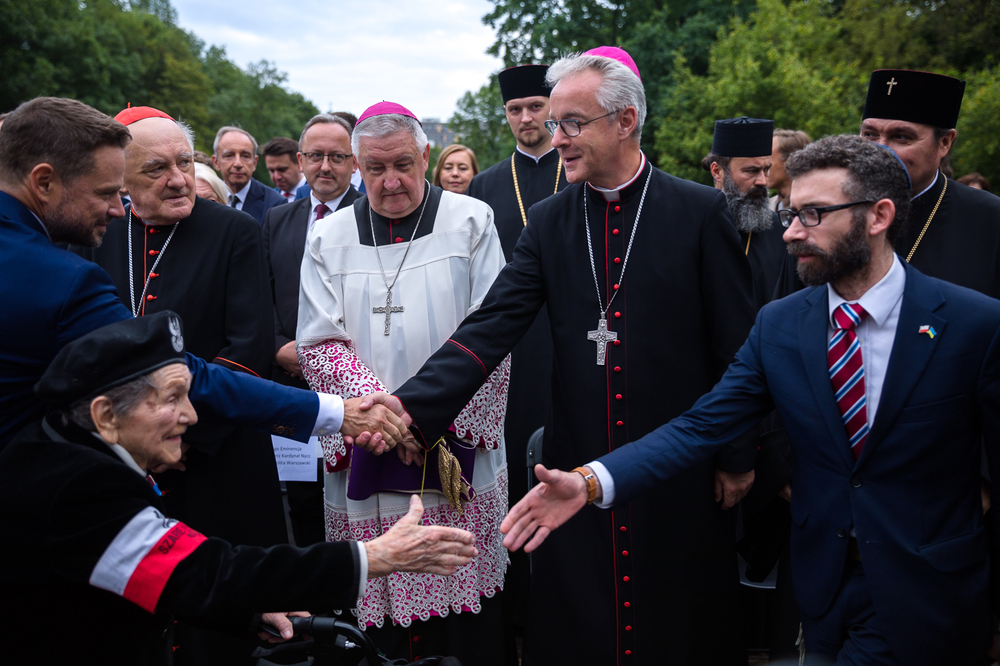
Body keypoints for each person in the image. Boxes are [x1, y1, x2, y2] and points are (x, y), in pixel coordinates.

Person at [503, 134, 1000, 666]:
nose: (790, 232)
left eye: (813, 215)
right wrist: (590, 481)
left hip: (932, 592)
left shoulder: (974, 325)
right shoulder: (782, 326)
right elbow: (699, 426)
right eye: (792, 212)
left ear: (877, 217)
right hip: (822, 593)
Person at [388, 48, 757, 666]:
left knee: (680, 622)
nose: (555, 138)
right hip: (573, 463)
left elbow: (737, 348)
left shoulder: (698, 213)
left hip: (678, 461)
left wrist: (738, 456)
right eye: (554, 123)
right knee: (584, 623)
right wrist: (406, 408)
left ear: (625, 121)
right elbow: (490, 326)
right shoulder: (551, 219)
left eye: (571, 123)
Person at [0, 312, 478, 666]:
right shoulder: (81, 487)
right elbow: (209, 572)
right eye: (171, 399)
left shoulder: (73, 452)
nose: (190, 415)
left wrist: (248, 618)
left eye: (189, 394)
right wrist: (377, 558)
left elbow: (163, 579)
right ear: (106, 416)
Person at [0, 98, 406, 452]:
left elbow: (246, 346)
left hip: (215, 441)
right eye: (107, 191)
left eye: (185, 163)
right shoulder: (62, 269)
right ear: (44, 182)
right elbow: (138, 361)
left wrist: (182, 432)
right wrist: (336, 414)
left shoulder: (234, 229)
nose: (114, 208)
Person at [297, 101, 514, 665]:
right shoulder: (328, 236)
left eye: (402, 164)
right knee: (380, 603)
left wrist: (423, 417)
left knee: (463, 606)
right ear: (355, 167)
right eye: (374, 168)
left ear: (425, 156)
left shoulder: (471, 220)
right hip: (367, 439)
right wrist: (387, 421)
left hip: (452, 442)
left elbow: (491, 329)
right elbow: (319, 342)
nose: (389, 181)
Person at [461, 61, 567, 641]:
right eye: (515, 111)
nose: (526, 119)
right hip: (510, 351)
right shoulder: (484, 187)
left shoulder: (577, 171)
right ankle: (518, 607)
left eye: (535, 107)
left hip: (573, 337)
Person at [262, 112, 362, 546]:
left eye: (337, 157)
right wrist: (279, 347)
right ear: (300, 160)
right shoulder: (277, 220)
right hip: (292, 385)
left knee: (357, 497)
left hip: (356, 385)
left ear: (354, 162)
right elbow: (257, 300)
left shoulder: (373, 216)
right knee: (302, 503)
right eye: (316, 156)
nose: (325, 166)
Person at [860, 69, 1000, 300]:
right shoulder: (827, 212)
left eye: (901, 137)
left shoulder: (991, 220)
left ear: (944, 142)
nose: (880, 151)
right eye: (870, 135)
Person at [704, 117, 787, 311]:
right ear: (717, 171)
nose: (763, 181)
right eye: (751, 171)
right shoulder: (693, 226)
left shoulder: (781, 234)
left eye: (766, 170)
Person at [212, 125, 285, 224]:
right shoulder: (206, 197)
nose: (238, 163)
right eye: (229, 156)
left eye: (245, 156)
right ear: (216, 162)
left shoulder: (275, 204)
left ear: (254, 162)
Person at [769, 128, 811, 211]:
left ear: (790, 160)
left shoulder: (814, 206)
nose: (763, 168)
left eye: (768, 160)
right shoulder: (767, 208)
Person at [262, 136, 306, 201]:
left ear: (299, 164)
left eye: (282, 170)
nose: (277, 177)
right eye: (271, 171)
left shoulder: (316, 194)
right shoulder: (268, 198)